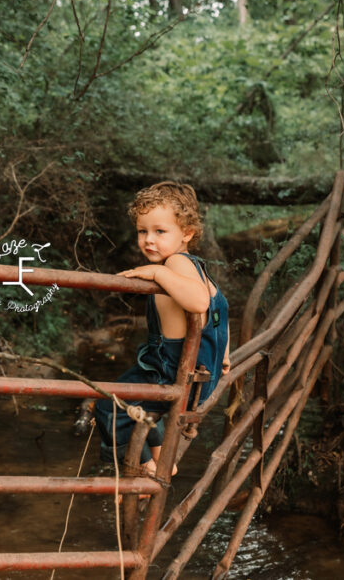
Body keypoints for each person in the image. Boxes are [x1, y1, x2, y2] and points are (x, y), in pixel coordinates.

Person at [94, 181, 230, 480]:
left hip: (171, 373)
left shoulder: (177, 263)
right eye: (143, 231)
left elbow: (200, 302)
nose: (148, 240)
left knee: (108, 405)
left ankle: (142, 470)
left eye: (160, 231)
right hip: (195, 373)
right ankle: (161, 461)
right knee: (134, 405)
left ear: (187, 233)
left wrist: (158, 272)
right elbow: (220, 309)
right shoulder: (195, 267)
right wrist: (224, 354)